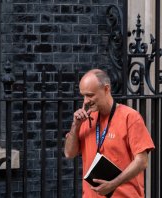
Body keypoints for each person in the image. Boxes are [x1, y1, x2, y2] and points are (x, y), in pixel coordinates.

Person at [64, 69, 155, 197]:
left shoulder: (130, 117)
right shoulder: (85, 119)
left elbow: (142, 161)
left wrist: (113, 184)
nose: (85, 101)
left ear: (106, 89)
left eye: (90, 95)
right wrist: (75, 126)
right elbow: (69, 153)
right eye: (83, 95)